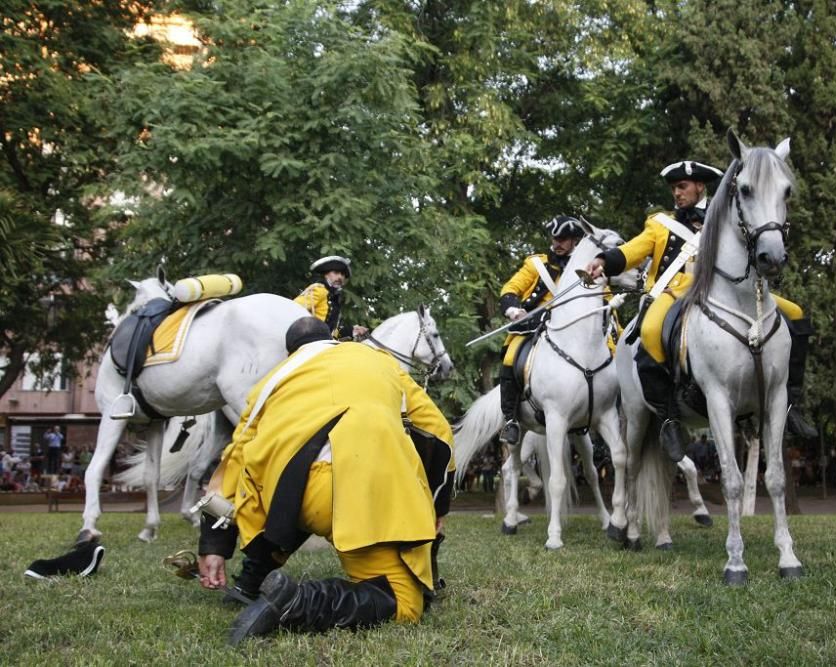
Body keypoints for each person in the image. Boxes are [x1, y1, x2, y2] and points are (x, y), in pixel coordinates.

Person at [196, 317, 455, 644]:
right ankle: (300, 600)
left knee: (294, 468)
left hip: (293, 502)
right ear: (332, 339)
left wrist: (213, 545)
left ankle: (250, 580)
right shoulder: (380, 361)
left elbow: (231, 462)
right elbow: (438, 432)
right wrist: (436, 505)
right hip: (362, 491)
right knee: (406, 606)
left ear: (291, 353)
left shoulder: (271, 381)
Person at [585, 159, 816, 462]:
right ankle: (668, 418)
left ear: (700, 187)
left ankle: (791, 404)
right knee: (651, 331)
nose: (677, 194)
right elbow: (633, 250)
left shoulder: (727, 217)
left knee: (796, 314)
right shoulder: (659, 224)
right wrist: (604, 260)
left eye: (682, 187)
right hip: (675, 292)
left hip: (725, 291)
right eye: (674, 188)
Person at [496, 215, 588, 445]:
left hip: (571, 328)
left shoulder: (585, 267)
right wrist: (514, 311)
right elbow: (510, 288)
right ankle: (511, 420)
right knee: (510, 358)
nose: (558, 243)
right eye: (555, 237)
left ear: (574, 240)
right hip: (532, 326)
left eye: (564, 239)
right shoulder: (536, 264)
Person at [294, 255, 369, 341]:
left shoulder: (334, 298)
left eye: (343, 275)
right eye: (336, 273)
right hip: (310, 342)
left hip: (325, 343)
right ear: (326, 274)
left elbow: (332, 333)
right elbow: (294, 308)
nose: (340, 277)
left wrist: (352, 330)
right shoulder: (319, 289)